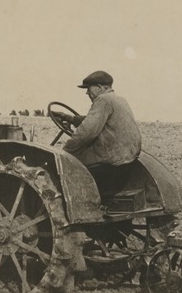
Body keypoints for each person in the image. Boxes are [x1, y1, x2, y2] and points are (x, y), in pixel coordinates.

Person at [59, 70, 142, 200]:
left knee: (66, 162)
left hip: (111, 160)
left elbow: (86, 132)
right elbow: (96, 120)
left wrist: (64, 151)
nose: (87, 93)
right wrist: (70, 118)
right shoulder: (119, 100)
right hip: (127, 157)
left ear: (98, 87)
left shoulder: (103, 100)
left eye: (88, 88)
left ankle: (78, 199)